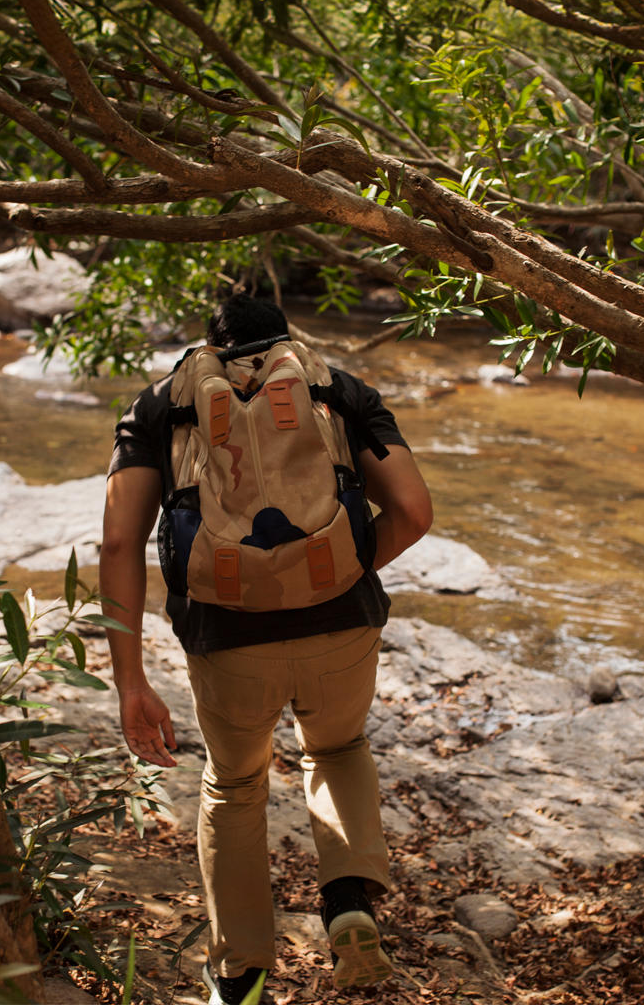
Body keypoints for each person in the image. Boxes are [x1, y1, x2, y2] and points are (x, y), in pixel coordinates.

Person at [100, 293, 434, 1005]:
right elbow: (413, 510)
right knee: (338, 750)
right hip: (341, 627)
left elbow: (121, 540)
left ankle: (241, 980)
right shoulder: (338, 391)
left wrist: (129, 680)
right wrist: (338, 570)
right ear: (288, 338)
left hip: (226, 639)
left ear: (209, 347)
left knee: (234, 785)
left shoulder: (161, 406)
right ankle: (347, 902)